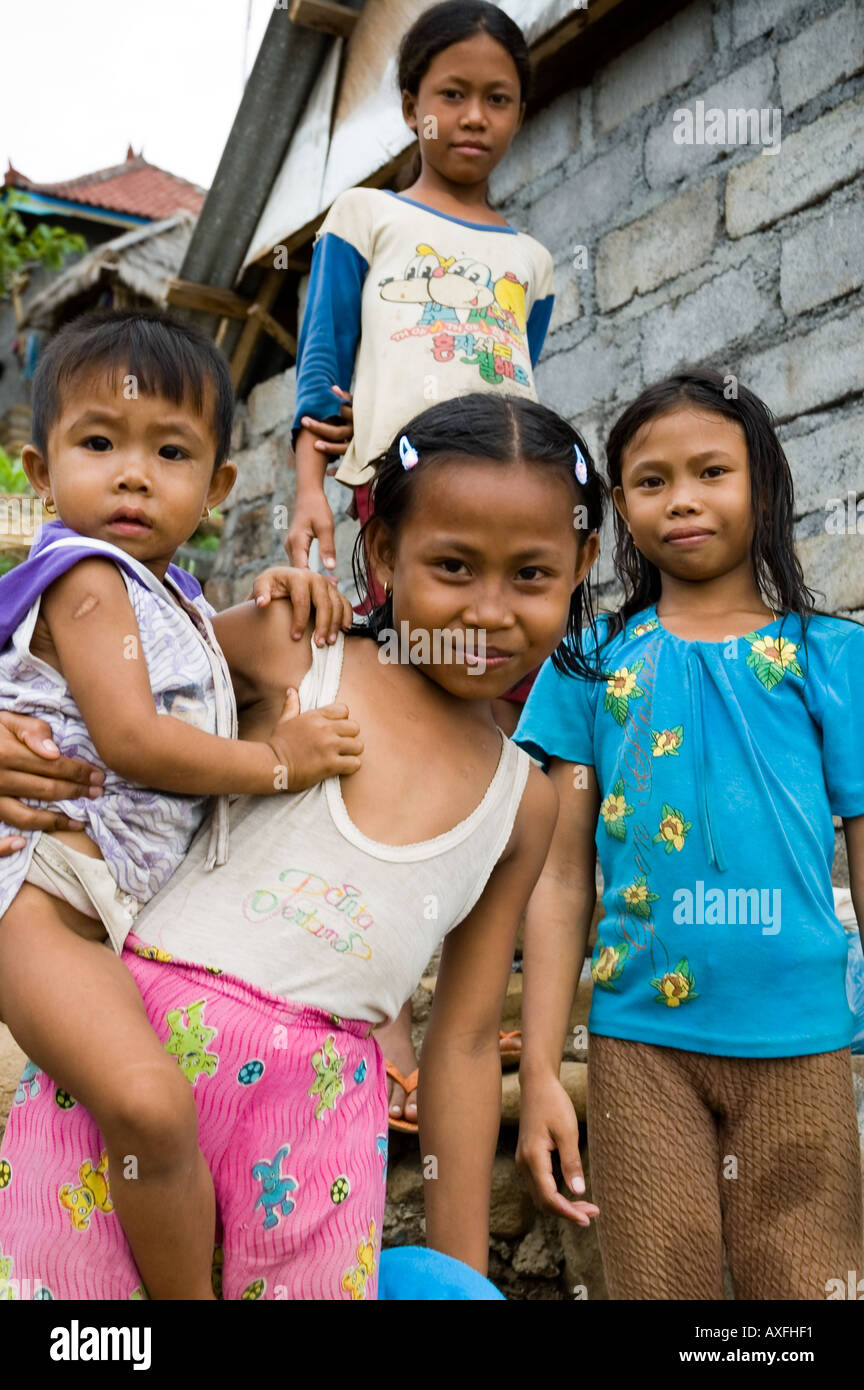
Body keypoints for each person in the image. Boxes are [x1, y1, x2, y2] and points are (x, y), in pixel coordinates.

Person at [0, 392, 601, 1300]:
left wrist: (458, 1275)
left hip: (315, 1120)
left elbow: (469, 1045)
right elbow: (80, 673)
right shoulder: (297, 652)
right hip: (136, 1060)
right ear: (387, 553)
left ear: (583, 563)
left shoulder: (523, 806)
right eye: (452, 565)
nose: (488, 609)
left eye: (531, 575)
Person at [0, 309, 360, 1301]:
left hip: (106, 908)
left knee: (160, 1113)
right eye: (99, 443)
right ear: (41, 472)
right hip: (42, 894)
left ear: (216, 489)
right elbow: (134, 741)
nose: (131, 474)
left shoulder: (177, 602)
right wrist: (277, 759)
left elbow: (254, 637)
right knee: (153, 1107)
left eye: (169, 452)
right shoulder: (81, 580)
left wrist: (297, 590)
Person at [513, 367, 864, 1300]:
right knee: (659, 1291)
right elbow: (558, 880)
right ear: (620, 507)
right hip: (640, 1048)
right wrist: (543, 1069)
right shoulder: (588, 668)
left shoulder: (832, 660)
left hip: (803, 1037)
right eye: (652, 481)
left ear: (765, 485)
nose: (685, 501)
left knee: (807, 1292)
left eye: (713, 471)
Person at [288, 0, 557, 1120]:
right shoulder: (362, 217)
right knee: (393, 727)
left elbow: (518, 397)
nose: (473, 116)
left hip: (498, 533)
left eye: (497, 98)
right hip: (399, 519)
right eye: (451, 94)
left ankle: (468, 998)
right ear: (411, 106)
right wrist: (311, 489)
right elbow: (321, 368)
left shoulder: (532, 258)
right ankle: (382, 1010)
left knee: (501, 747)